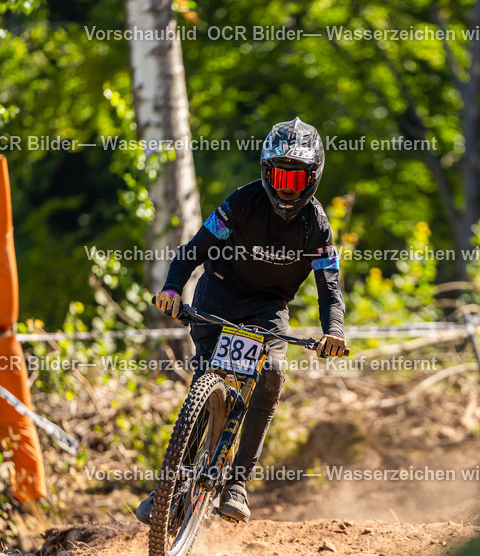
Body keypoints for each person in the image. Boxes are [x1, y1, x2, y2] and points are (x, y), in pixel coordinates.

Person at [136, 117, 347, 524]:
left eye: (297, 179)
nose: (287, 188)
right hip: (218, 295)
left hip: (268, 309)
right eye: (280, 176)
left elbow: (330, 288)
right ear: (266, 173)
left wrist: (333, 331)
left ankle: (236, 484)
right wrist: (172, 288)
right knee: (206, 380)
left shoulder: (317, 225)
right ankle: (168, 486)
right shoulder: (241, 202)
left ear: (313, 178)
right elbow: (194, 249)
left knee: (270, 376)